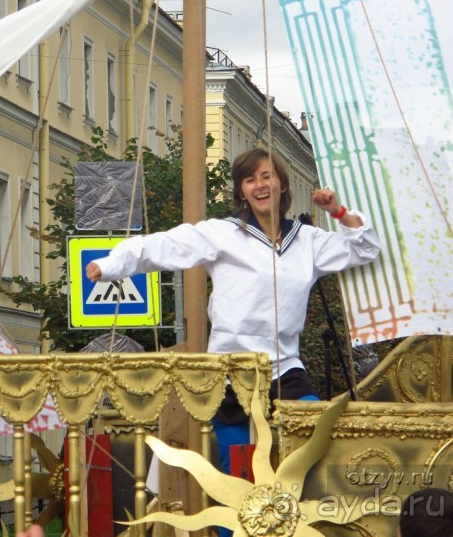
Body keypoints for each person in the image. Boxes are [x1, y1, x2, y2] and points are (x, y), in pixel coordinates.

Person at [86, 148, 380, 533]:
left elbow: (366, 247)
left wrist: (338, 212)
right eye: (250, 179)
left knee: (313, 442)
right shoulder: (224, 233)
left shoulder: (306, 239)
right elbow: (164, 246)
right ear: (242, 190)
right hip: (230, 372)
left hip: (284, 367)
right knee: (237, 474)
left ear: (282, 183)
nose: (260, 185)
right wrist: (110, 264)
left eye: (266, 176)